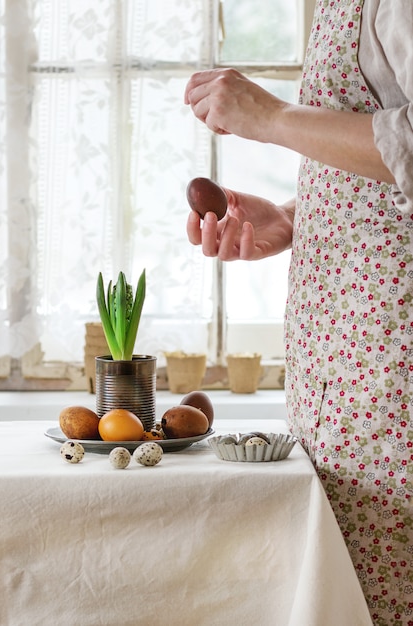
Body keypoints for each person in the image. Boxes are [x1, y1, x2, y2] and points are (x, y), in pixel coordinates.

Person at [184, 1, 413, 625]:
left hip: (392, 385)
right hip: (343, 384)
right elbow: (386, 157)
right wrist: (292, 217)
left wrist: (275, 117)